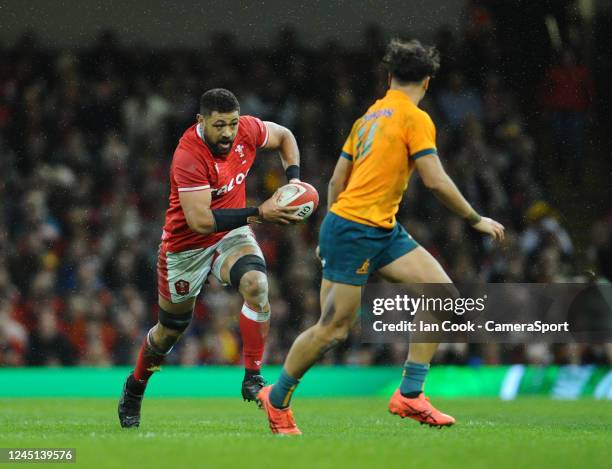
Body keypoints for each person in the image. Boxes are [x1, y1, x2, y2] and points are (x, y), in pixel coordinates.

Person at [257, 39, 505, 434]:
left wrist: (330, 227)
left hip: (375, 227)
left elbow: (338, 180)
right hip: (355, 229)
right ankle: (278, 397)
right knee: (333, 329)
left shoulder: (367, 118)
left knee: (441, 295)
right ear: (426, 81)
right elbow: (435, 181)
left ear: (390, 77)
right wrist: (475, 218)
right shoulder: (415, 117)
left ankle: (409, 394)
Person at [118, 88, 303, 428]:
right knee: (169, 331)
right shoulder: (188, 155)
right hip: (186, 246)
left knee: (257, 283)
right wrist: (261, 213)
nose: (229, 133)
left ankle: (253, 375)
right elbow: (200, 221)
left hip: (231, 235)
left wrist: (293, 183)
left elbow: (285, 136)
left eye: (232, 124)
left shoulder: (247, 130)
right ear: (201, 121)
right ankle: (135, 386)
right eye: (220, 125)